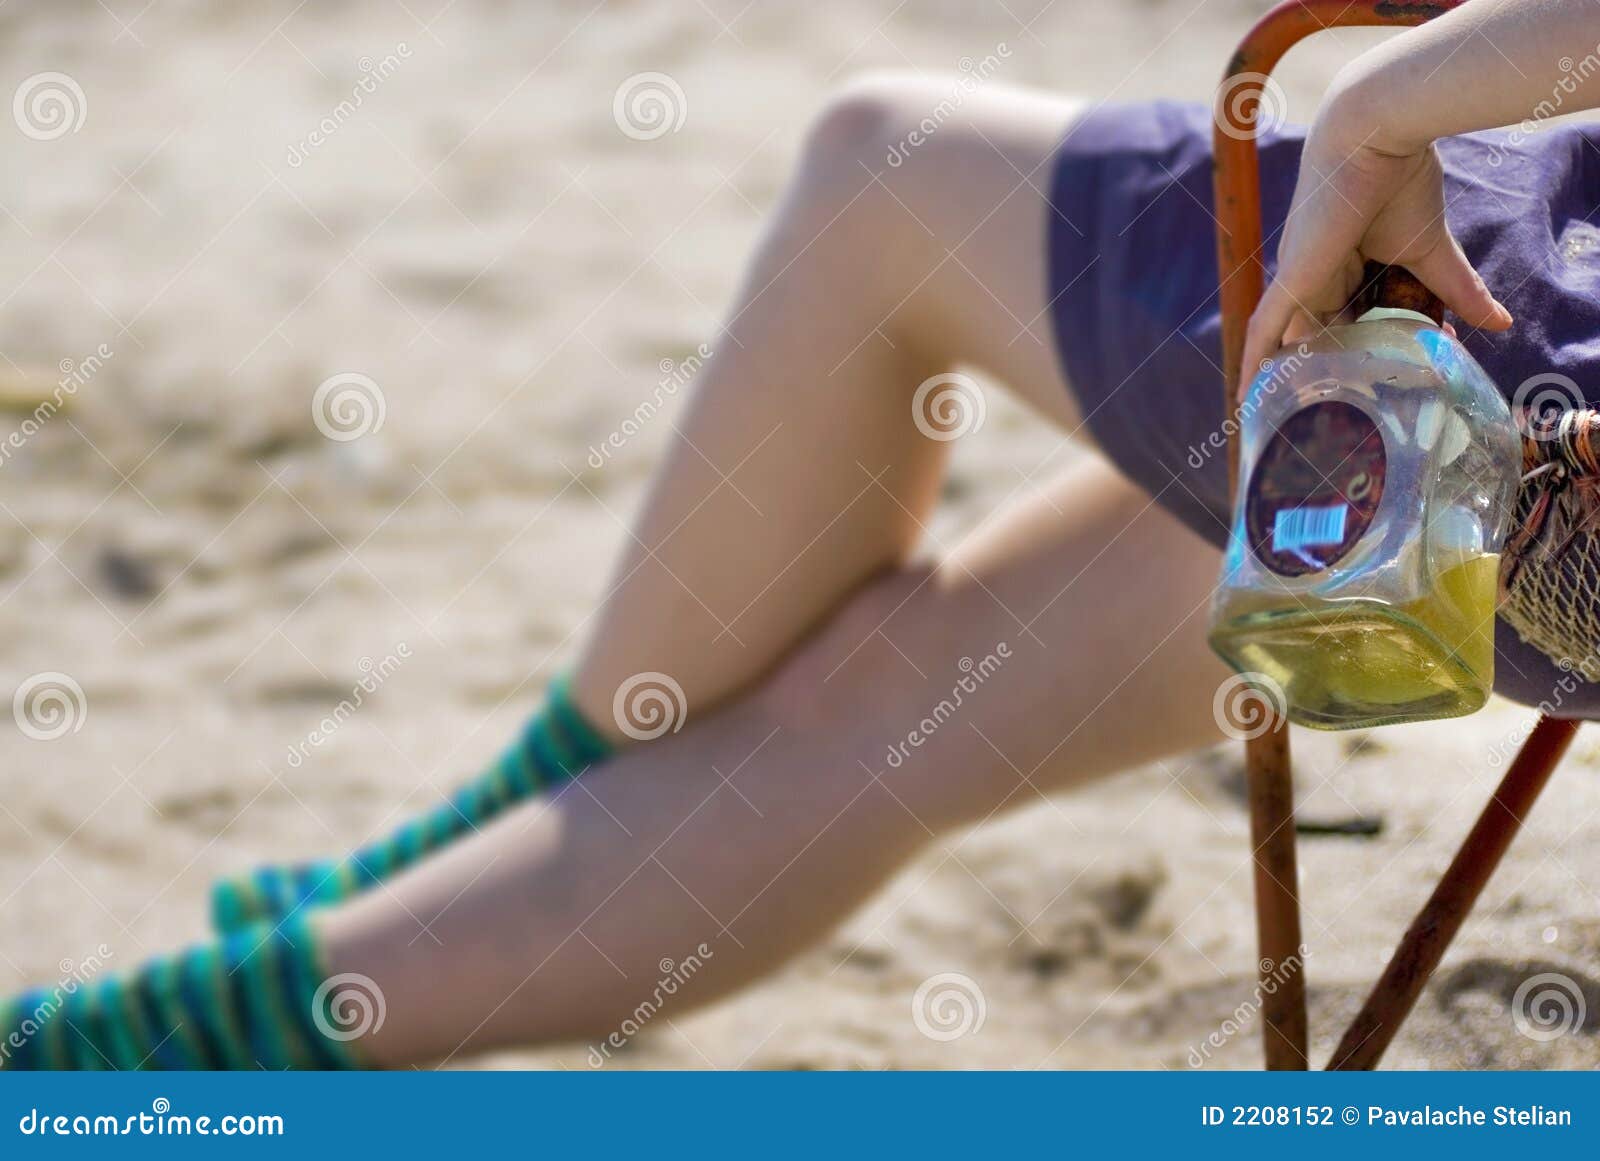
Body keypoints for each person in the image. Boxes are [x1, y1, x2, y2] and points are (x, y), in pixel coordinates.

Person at [4, 0, 1598, 1069]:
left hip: (1514, 413)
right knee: (889, 686)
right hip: (1517, 498)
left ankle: (454, 856)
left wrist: (1390, 102)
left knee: (877, 178)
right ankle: (226, 1016)